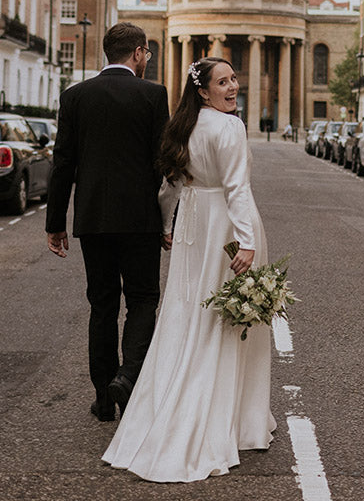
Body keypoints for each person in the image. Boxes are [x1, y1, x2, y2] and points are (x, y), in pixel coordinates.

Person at [102, 56, 276, 483]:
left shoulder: (183, 125)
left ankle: (167, 403)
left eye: (234, 79)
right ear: (203, 90)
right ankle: (236, 421)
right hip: (228, 226)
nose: (232, 87)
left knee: (186, 312)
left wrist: (166, 226)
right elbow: (236, 187)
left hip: (191, 229)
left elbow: (171, 187)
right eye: (222, 82)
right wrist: (248, 242)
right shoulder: (229, 127)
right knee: (230, 319)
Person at [45, 22, 169, 422]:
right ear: (137, 52)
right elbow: (161, 165)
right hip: (140, 220)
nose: (147, 60)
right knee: (143, 300)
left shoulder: (75, 96)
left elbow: (63, 163)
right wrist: (166, 219)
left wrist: (55, 223)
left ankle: (103, 398)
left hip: (93, 218)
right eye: (146, 54)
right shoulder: (153, 95)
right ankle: (128, 378)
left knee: (101, 306)